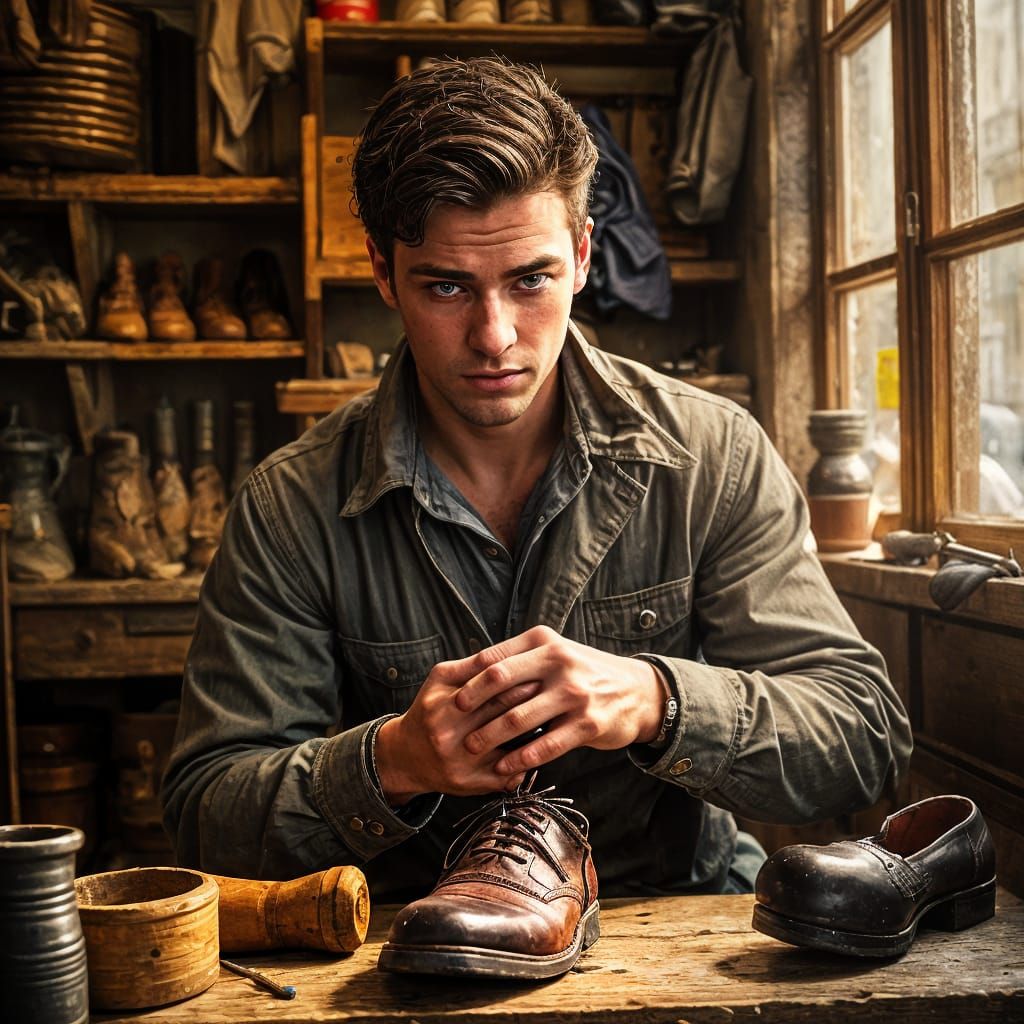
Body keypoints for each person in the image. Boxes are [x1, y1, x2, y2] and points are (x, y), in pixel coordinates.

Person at [162, 58, 912, 902]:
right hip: (419, 937)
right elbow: (203, 813)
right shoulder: (289, 504)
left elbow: (863, 738)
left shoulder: (714, 454)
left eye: (531, 280)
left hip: (673, 914)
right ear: (382, 271)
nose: (494, 336)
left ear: (584, 253)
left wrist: (657, 700)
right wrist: (393, 762)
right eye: (446, 286)